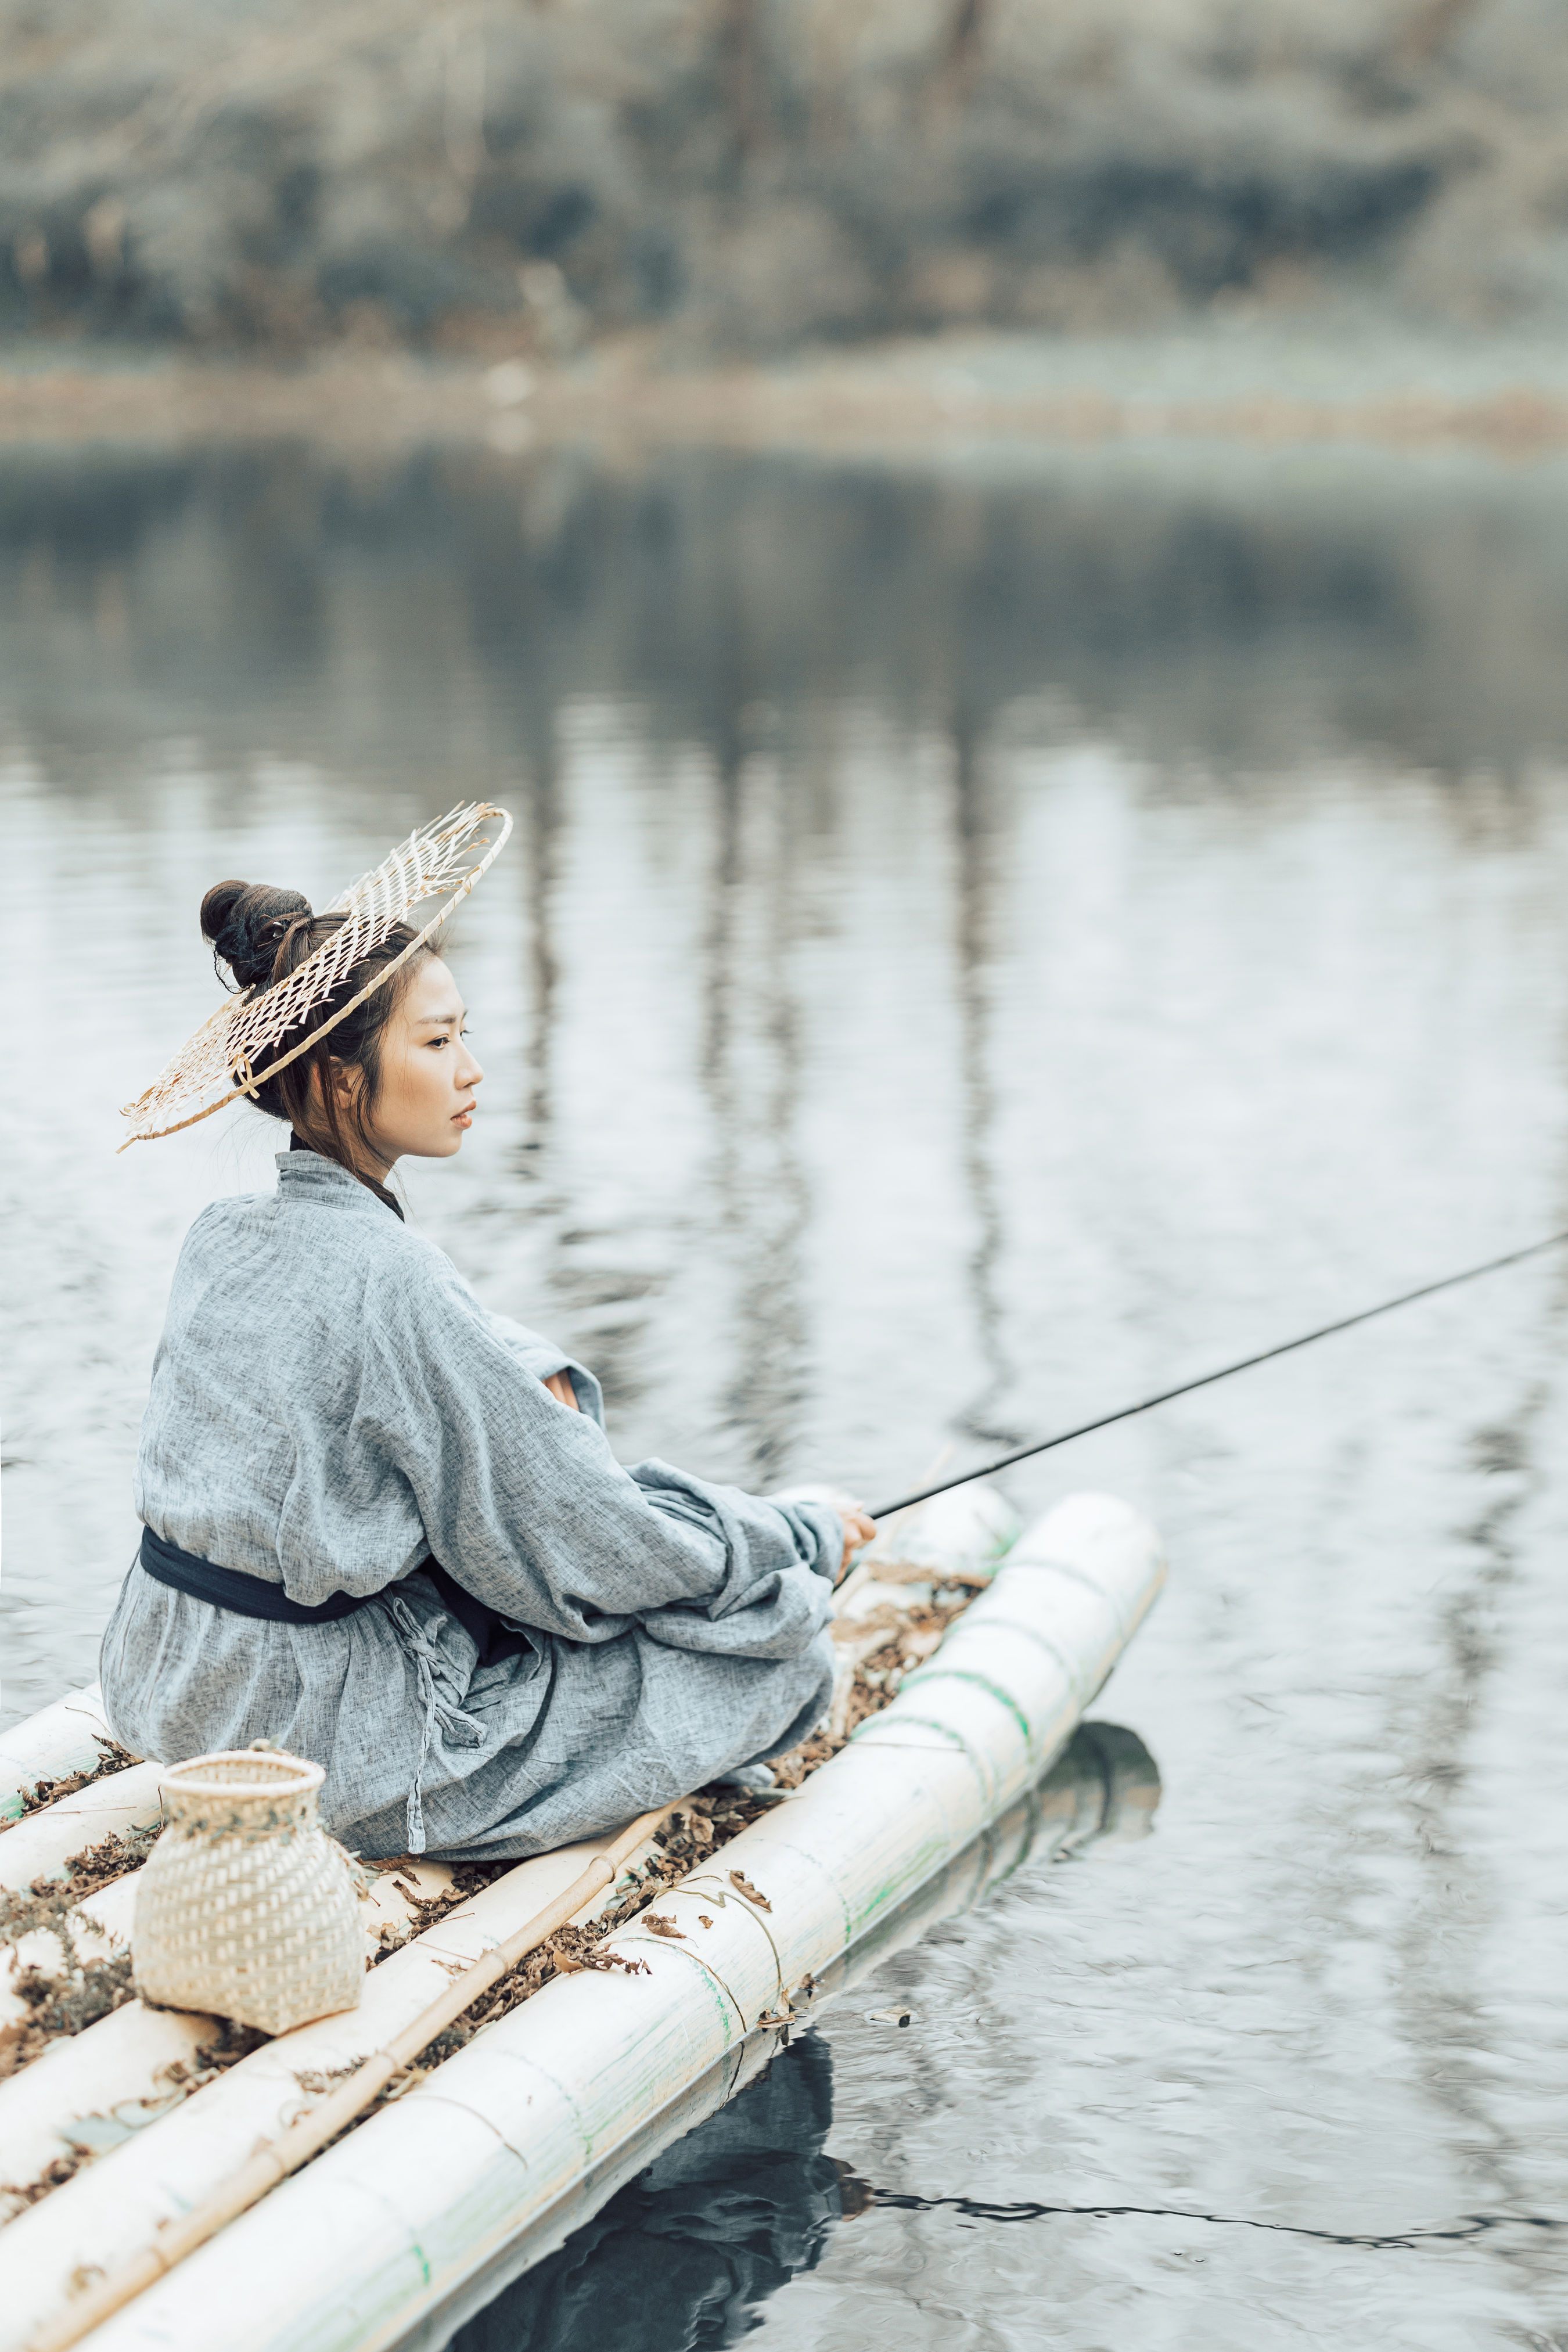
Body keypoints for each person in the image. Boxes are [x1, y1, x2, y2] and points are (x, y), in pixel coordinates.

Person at [102, 859, 875, 1858]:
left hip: (166, 1678)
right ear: (342, 1077)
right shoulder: (395, 1280)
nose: (471, 1070)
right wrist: (789, 1534)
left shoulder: (221, 1233)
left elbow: (388, 1366)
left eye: (466, 1033)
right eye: (436, 1040)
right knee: (782, 1648)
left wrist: (523, 1369)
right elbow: (592, 1545)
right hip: (316, 1744)